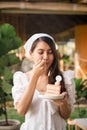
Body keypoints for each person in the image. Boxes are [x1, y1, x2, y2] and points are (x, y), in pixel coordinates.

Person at [12, 33, 75, 130]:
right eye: (40, 52)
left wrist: (63, 103)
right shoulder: (22, 79)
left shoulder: (64, 78)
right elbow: (21, 111)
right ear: (31, 53)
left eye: (50, 52)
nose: (45, 57)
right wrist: (34, 77)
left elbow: (66, 115)